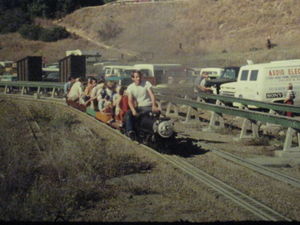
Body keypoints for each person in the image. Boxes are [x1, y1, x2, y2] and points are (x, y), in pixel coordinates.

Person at [125, 70, 159, 138]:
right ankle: (130, 131)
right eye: (136, 77)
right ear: (133, 78)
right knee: (128, 113)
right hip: (139, 107)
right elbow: (130, 101)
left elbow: (152, 95)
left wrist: (154, 105)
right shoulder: (130, 87)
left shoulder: (146, 83)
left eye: (139, 76)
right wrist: (133, 110)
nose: (138, 78)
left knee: (156, 115)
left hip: (148, 106)